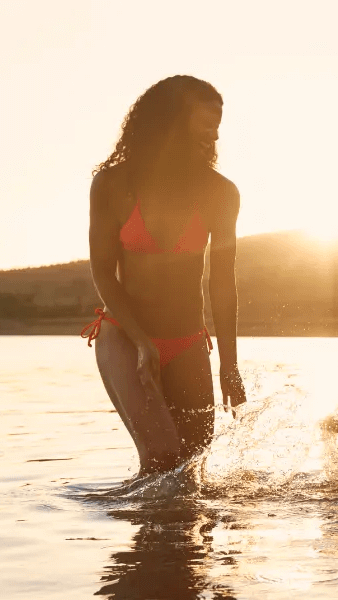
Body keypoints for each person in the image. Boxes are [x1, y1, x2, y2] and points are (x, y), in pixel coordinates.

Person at [83, 75, 246, 476]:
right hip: (125, 334)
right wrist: (141, 342)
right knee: (160, 460)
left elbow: (223, 284)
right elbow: (103, 272)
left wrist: (230, 366)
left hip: (188, 341)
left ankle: (173, 538)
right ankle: (138, 535)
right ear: (170, 121)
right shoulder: (112, 185)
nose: (214, 137)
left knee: (190, 471)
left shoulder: (220, 192)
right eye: (207, 125)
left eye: (218, 127)